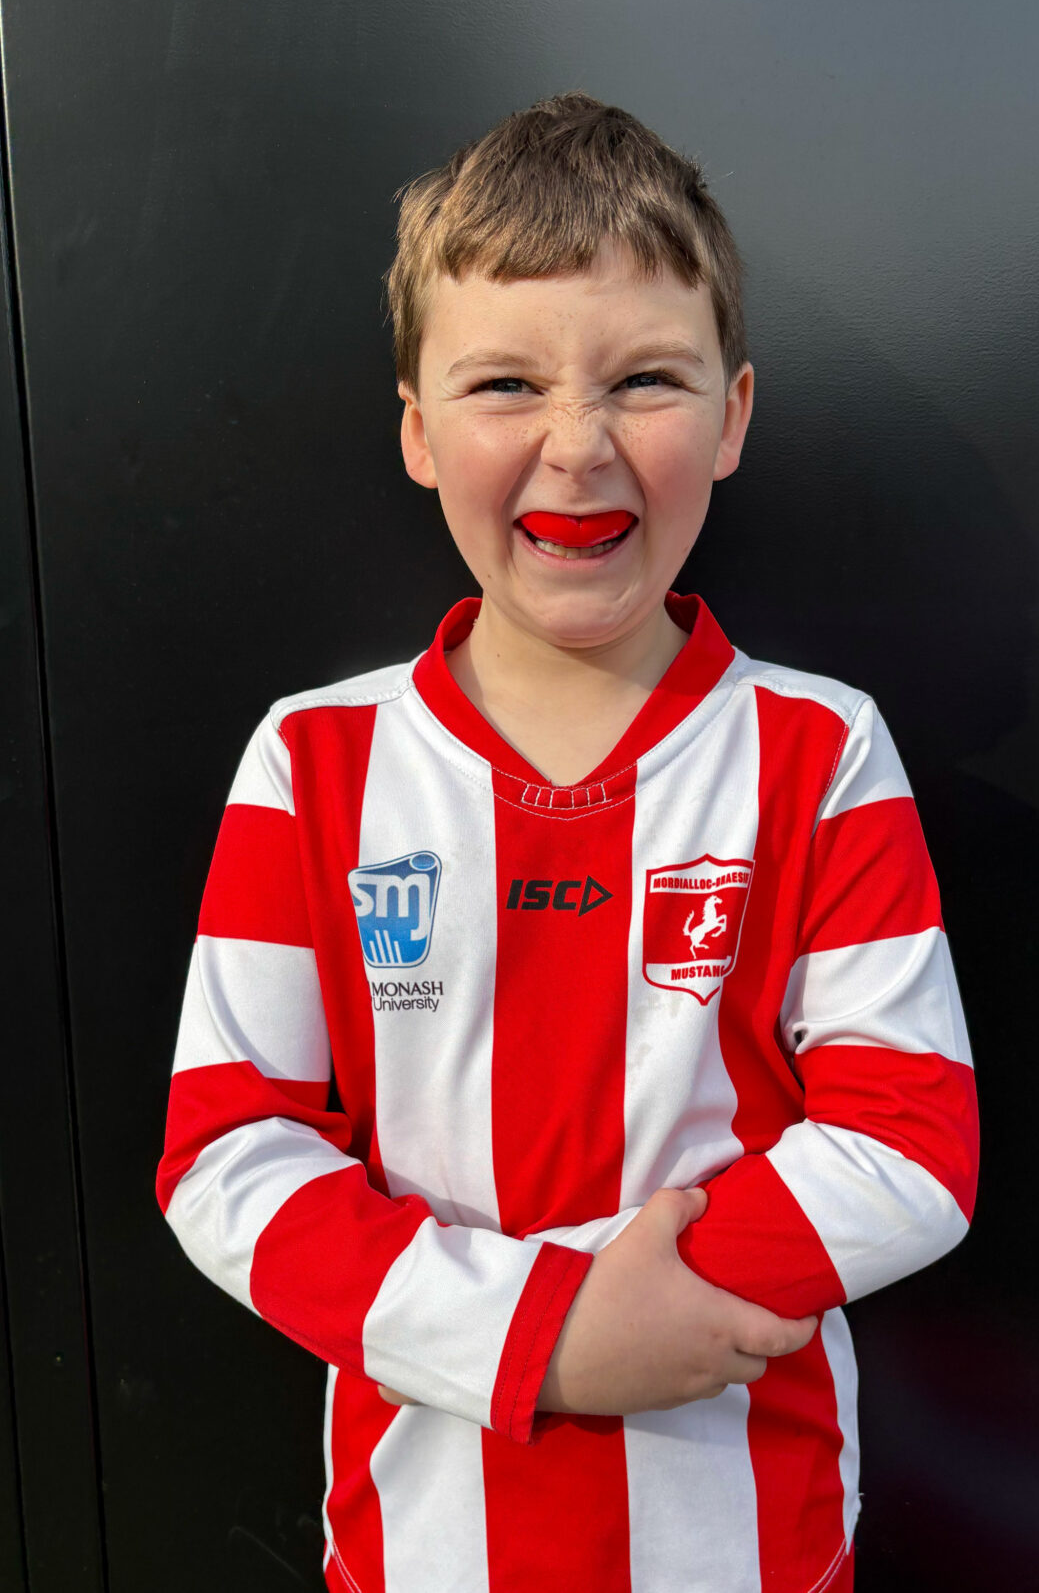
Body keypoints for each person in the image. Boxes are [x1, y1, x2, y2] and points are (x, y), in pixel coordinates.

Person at [156, 90, 978, 1593]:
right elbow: (227, 1151)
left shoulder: (822, 752)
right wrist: (547, 1337)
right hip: (422, 1550)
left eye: (646, 378)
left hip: (752, 1549)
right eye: (504, 384)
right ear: (417, 432)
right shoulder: (312, 761)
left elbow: (910, 1137)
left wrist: (645, 1309)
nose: (577, 445)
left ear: (733, 416)